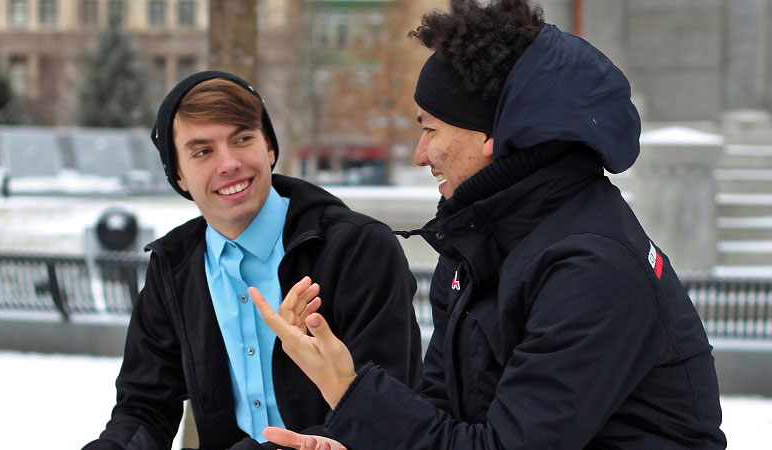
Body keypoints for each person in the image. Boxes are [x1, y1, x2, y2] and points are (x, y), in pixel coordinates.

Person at [251, 1, 727, 449]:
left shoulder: (592, 268)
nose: (421, 154)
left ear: (492, 136)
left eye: (430, 128)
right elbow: (443, 416)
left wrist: (348, 390)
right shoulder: (477, 242)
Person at [82, 71, 423, 450]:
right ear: (178, 174)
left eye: (242, 139)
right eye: (202, 151)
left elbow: (387, 407)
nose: (228, 164)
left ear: (270, 148)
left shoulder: (358, 249)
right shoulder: (174, 267)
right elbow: (144, 407)